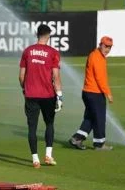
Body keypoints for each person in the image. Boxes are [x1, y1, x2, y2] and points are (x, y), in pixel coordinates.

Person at [19, 24, 63, 168]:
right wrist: (60, 95)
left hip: (31, 94)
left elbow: (21, 76)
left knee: (32, 127)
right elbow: (56, 76)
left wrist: (25, 89)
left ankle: (35, 159)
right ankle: (48, 155)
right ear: (48, 35)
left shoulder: (27, 51)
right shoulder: (53, 52)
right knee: (49, 124)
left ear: (37, 34)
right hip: (48, 95)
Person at [70, 36, 115, 151]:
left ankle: (77, 138)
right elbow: (100, 78)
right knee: (99, 118)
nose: (107, 49)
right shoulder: (97, 57)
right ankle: (99, 144)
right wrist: (108, 93)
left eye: (109, 47)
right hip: (95, 93)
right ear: (100, 44)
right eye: (106, 46)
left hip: (88, 92)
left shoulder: (96, 55)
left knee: (90, 118)